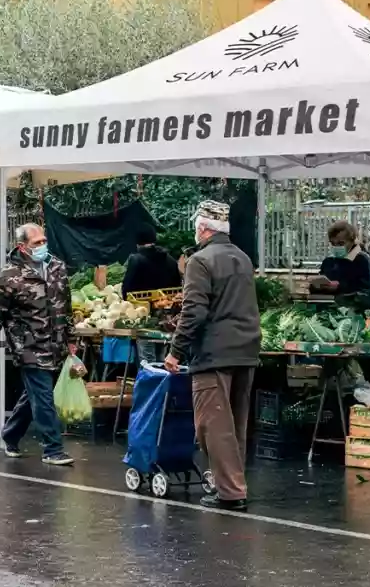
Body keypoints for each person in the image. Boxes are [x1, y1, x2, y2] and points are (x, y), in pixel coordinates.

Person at [164, 201, 260, 511]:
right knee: (236, 424)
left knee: (212, 425)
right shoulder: (242, 257)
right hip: (246, 349)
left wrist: (176, 351)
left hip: (214, 353)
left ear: (203, 228)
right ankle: (232, 484)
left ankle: (230, 491)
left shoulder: (200, 261)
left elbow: (194, 311)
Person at [0, 223, 85, 466]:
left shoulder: (57, 267)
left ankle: (11, 433)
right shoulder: (10, 276)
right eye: (37, 243)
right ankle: (53, 449)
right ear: (22, 246)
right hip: (28, 347)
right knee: (43, 397)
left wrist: (71, 339)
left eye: (44, 241)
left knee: (35, 395)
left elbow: (66, 307)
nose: (42, 246)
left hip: (56, 344)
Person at [121, 224, 181, 363]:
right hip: (166, 318)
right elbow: (177, 288)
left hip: (145, 318)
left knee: (147, 359)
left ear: (137, 242)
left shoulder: (136, 260)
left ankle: (150, 377)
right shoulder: (170, 260)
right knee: (161, 358)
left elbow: (126, 289)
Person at [309, 221, 370, 295]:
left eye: (341, 243)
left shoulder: (363, 260)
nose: (336, 247)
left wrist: (338, 287)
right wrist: (315, 286)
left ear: (352, 241)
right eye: (333, 243)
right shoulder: (329, 261)